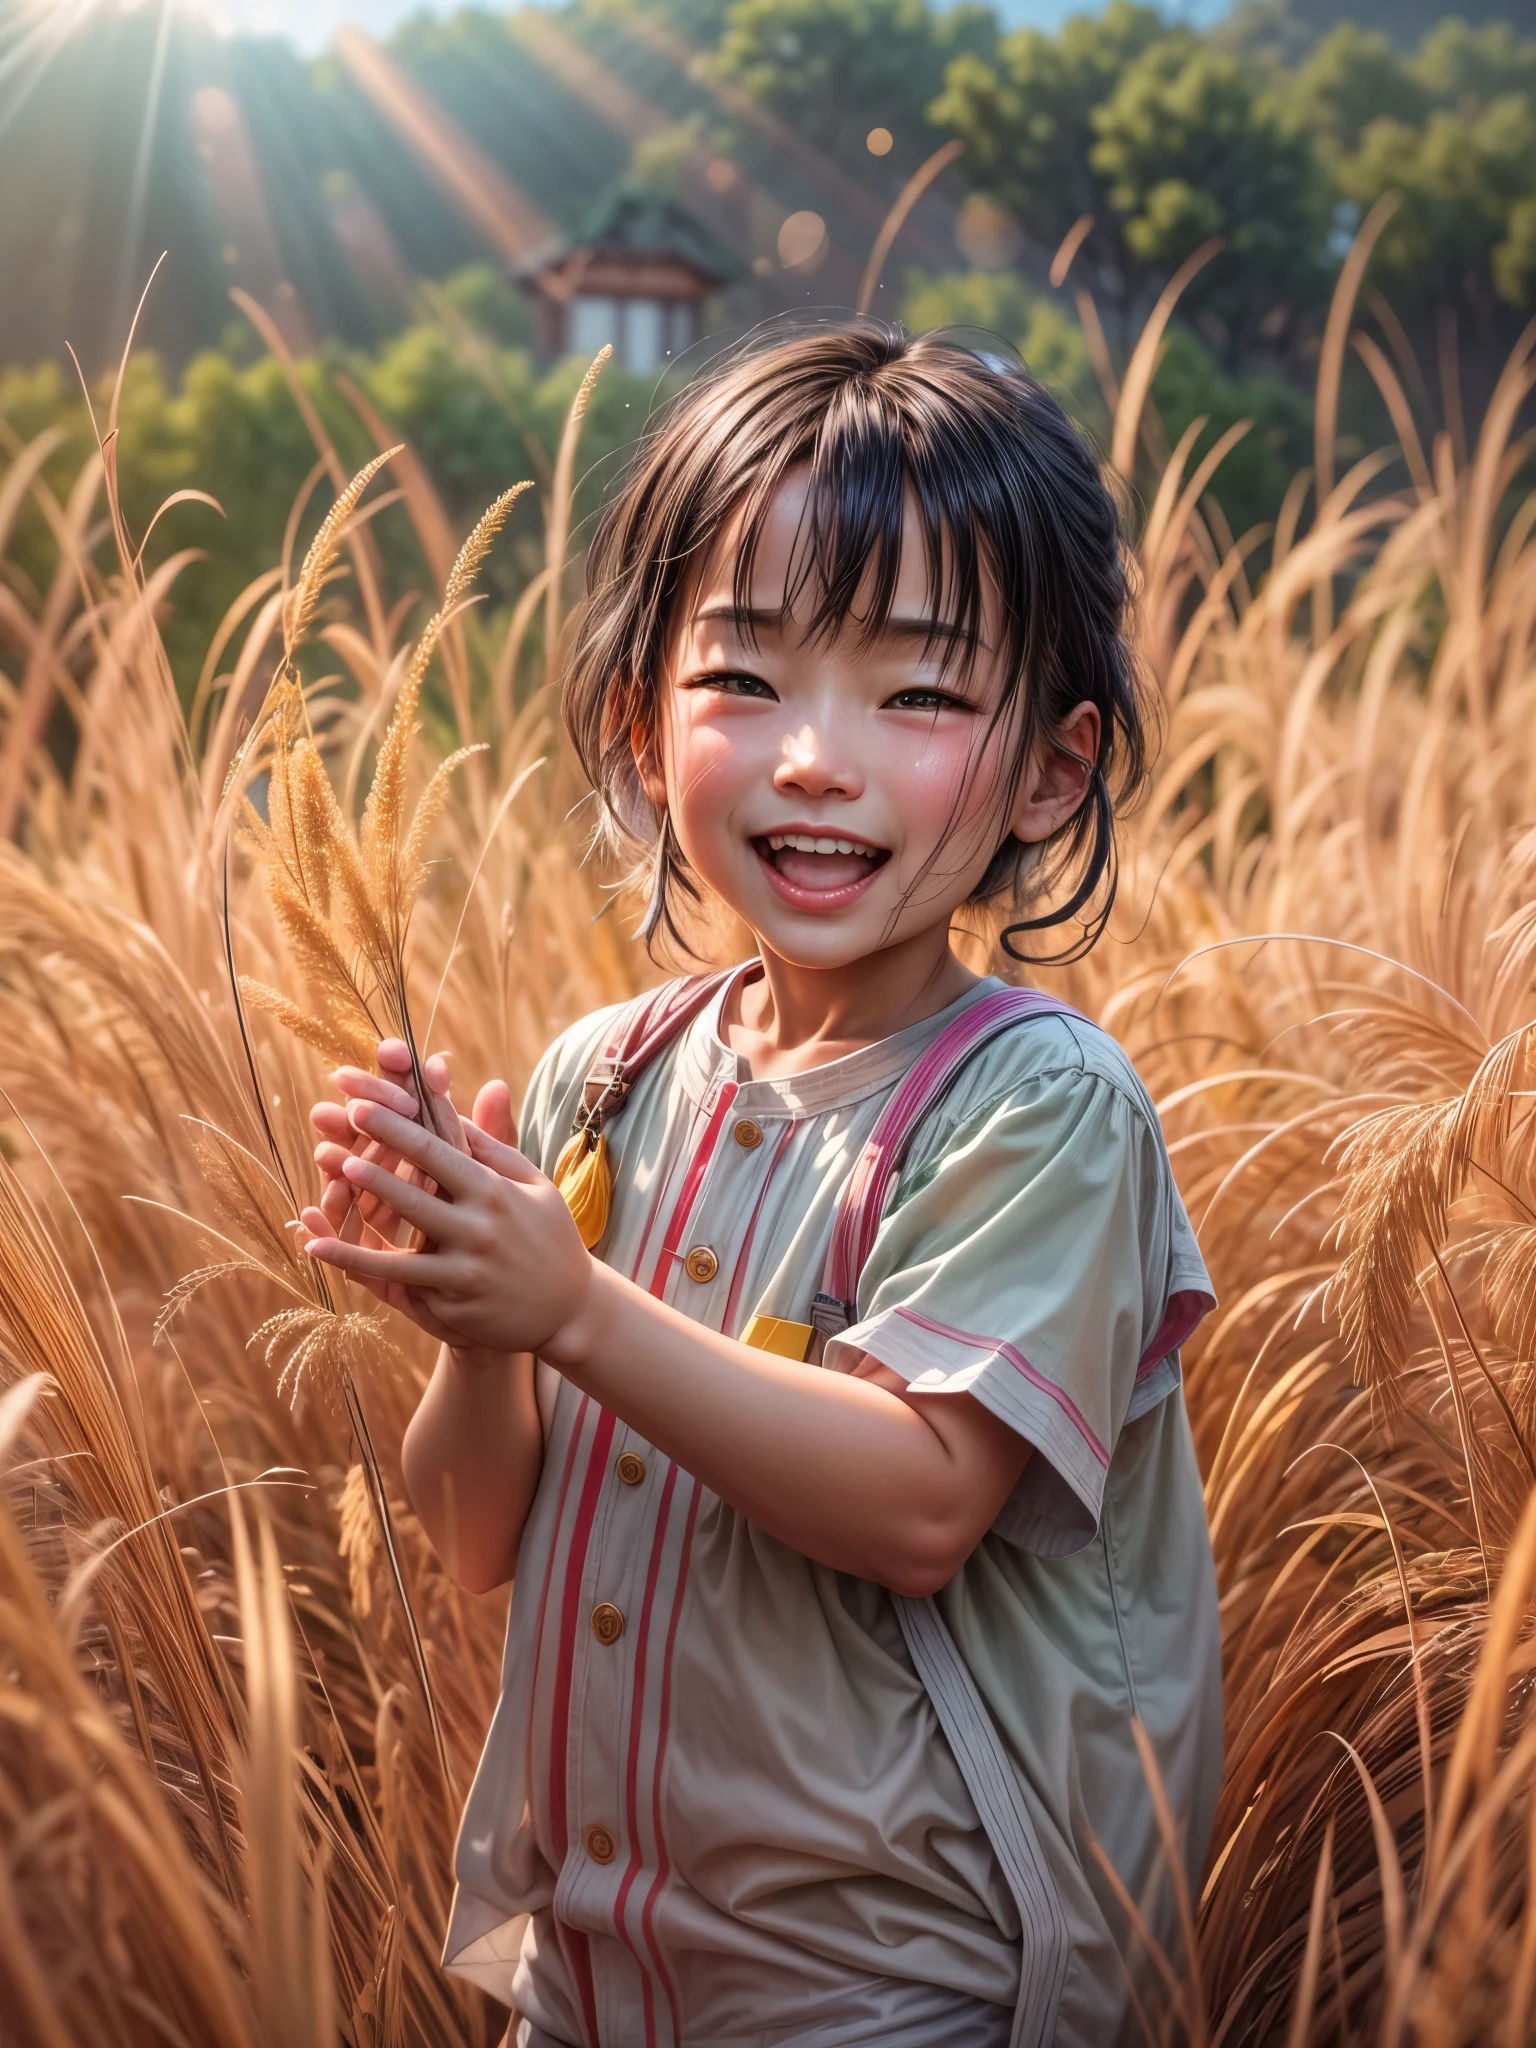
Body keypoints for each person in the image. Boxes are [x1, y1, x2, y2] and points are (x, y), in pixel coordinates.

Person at [300, 324, 1222, 2048]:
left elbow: (921, 1502)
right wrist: (478, 1321)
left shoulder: (1034, 1104)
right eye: (745, 678)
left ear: (1051, 768)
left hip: (899, 1983)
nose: (816, 755)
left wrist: (567, 1301)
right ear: (638, 726)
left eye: (919, 692)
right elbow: (476, 1534)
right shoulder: (609, 1078)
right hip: (594, 1968)